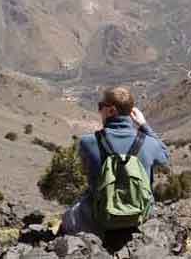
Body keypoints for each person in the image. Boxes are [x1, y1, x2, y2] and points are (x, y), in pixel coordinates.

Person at [60, 86, 170, 235]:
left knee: (67, 218)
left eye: (101, 107)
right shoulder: (149, 143)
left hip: (100, 218)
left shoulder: (88, 142)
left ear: (111, 111)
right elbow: (165, 156)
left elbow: (85, 170)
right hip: (140, 215)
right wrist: (144, 125)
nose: (99, 111)